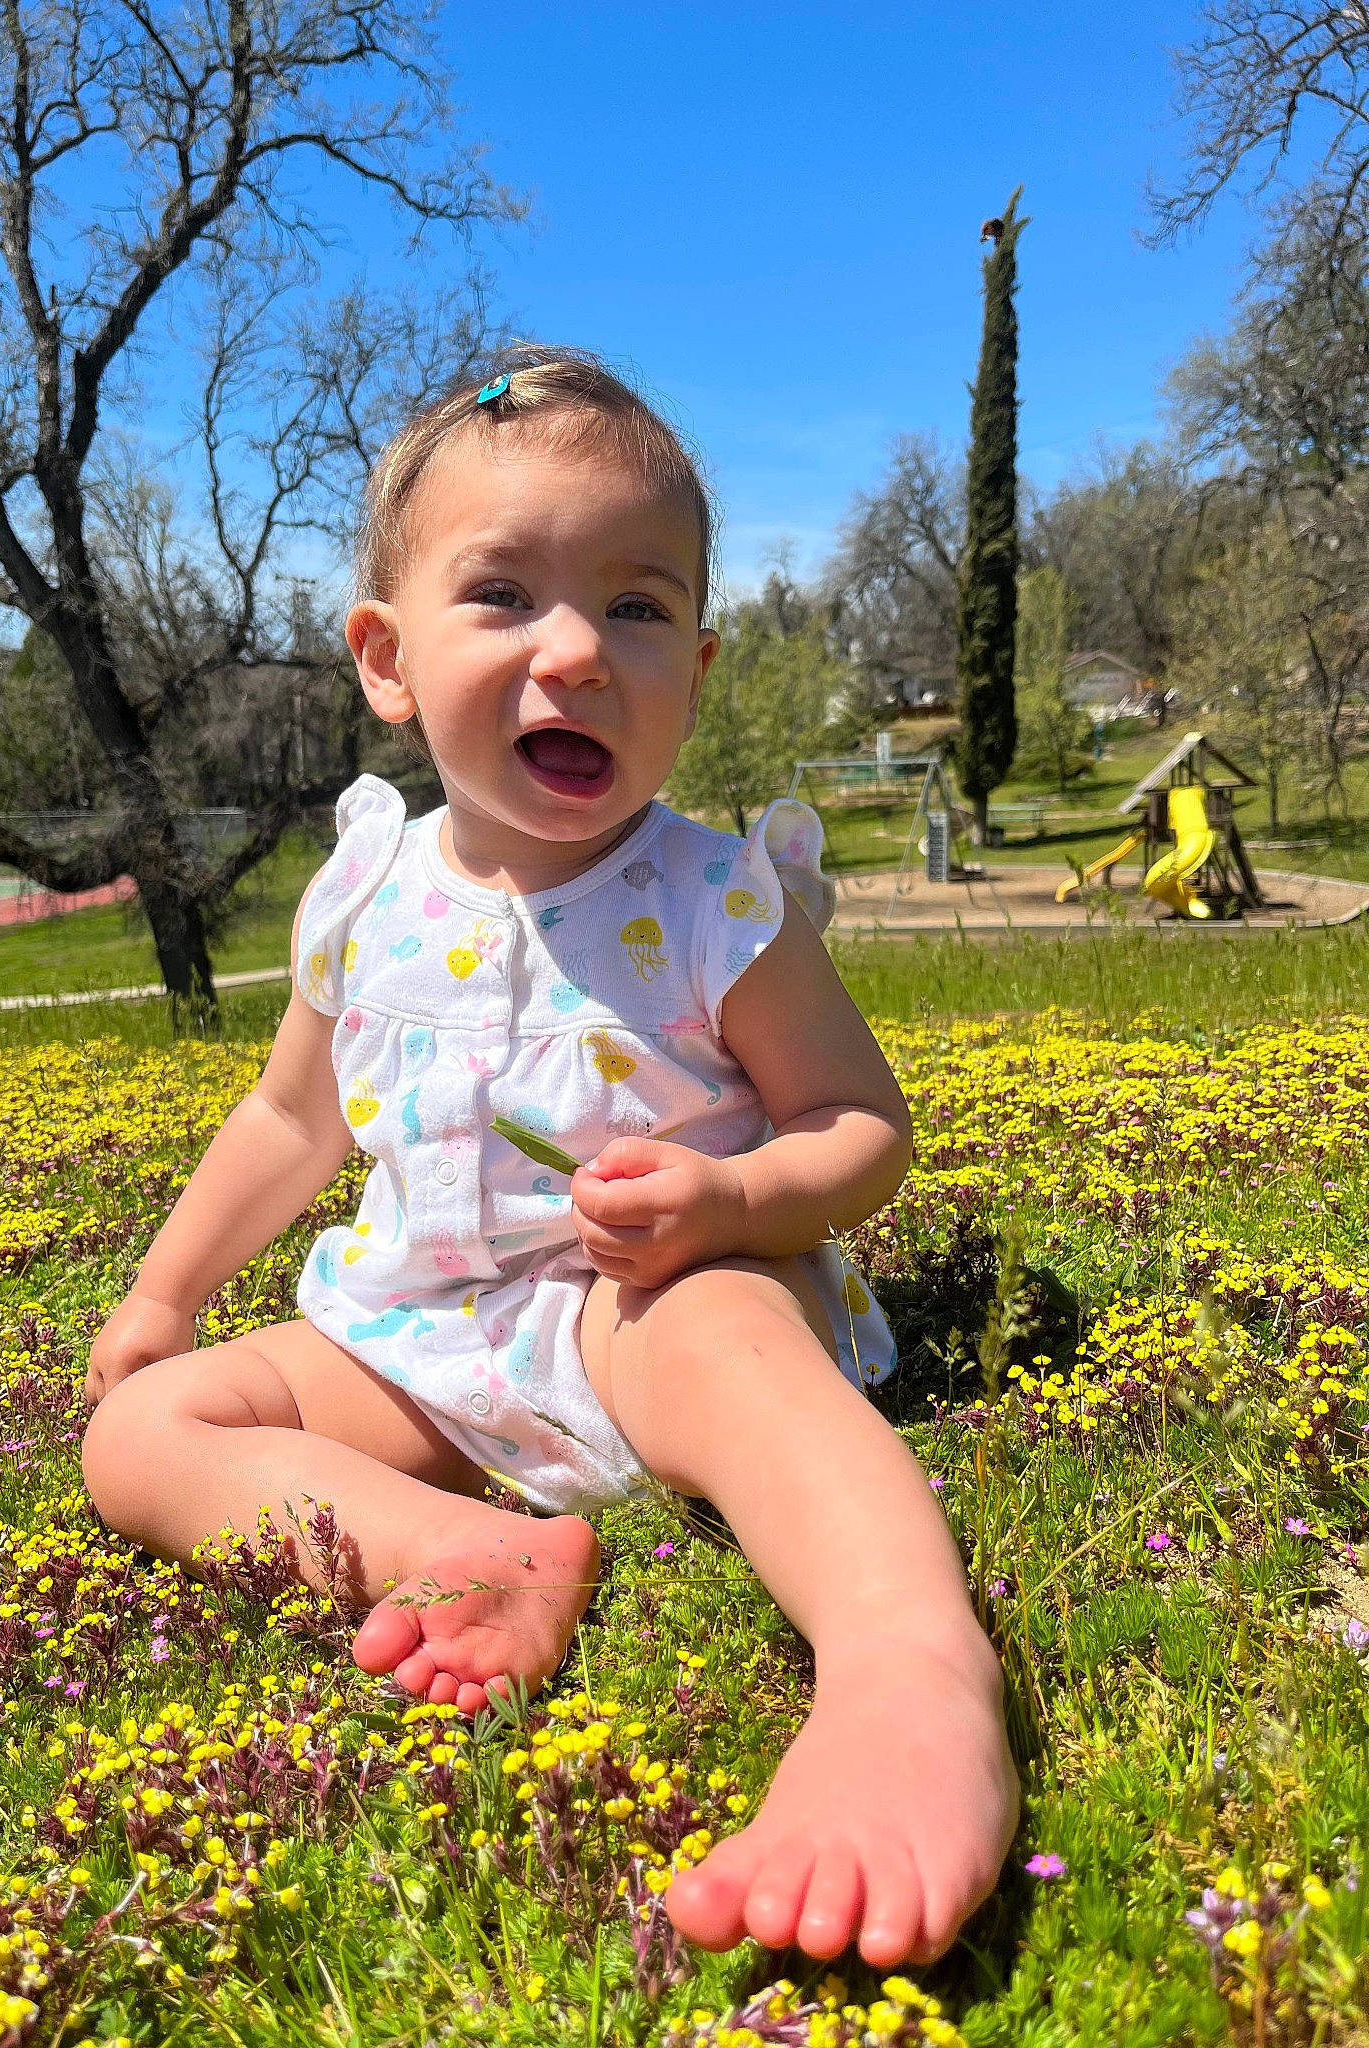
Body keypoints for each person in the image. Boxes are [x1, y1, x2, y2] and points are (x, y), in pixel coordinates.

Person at [81, 347, 1017, 1968]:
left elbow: (862, 1131)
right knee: (144, 1435)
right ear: (386, 657)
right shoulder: (361, 895)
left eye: (639, 609)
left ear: (701, 666)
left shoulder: (716, 896)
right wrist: (167, 1294)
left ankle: (907, 1675)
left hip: (638, 1314)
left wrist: (731, 1201)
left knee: (735, 1336)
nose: (577, 650)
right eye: (504, 595)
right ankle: (469, 1553)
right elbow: (289, 1123)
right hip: (414, 1339)